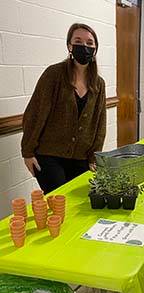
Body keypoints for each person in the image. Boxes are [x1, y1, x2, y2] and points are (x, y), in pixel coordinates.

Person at [21, 23, 106, 194]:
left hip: (81, 158)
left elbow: (99, 123)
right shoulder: (54, 75)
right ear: (69, 46)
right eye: (78, 41)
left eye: (90, 43)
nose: (85, 46)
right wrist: (28, 152)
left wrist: (93, 156)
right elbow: (35, 114)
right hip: (49, 156)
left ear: (95, 48)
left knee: (79, 202)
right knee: (60, 200)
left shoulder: (98, 83)